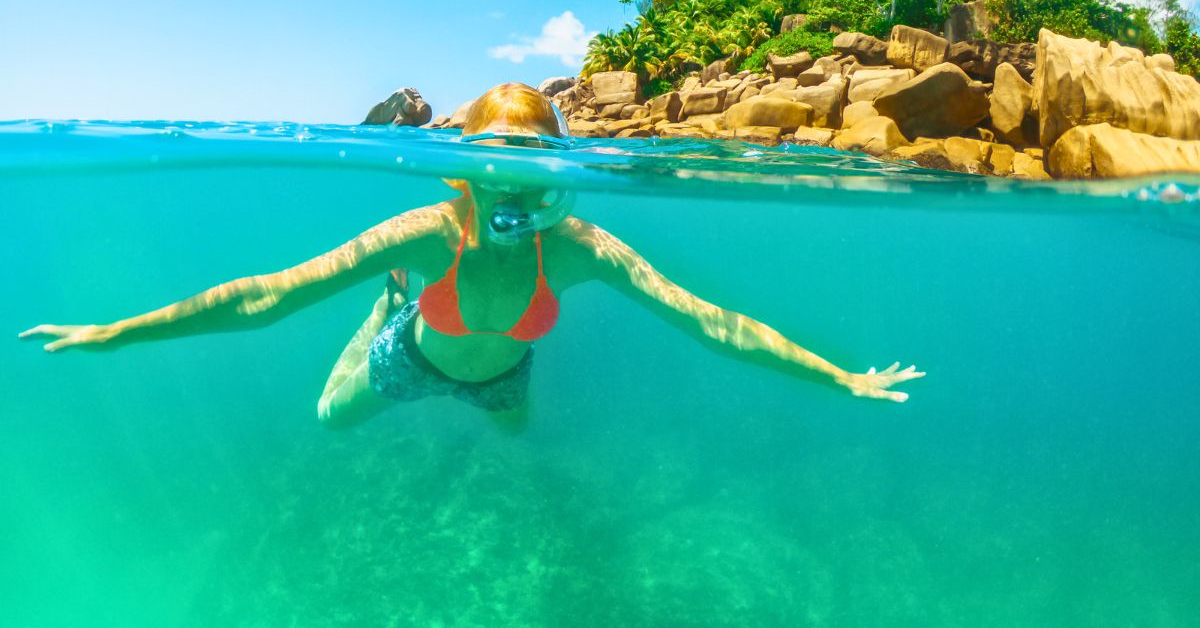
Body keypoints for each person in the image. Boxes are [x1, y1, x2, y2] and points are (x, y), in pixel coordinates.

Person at [19, 83, 923, 429]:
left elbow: (708, 324)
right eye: (489, 160)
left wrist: (838, 377)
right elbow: (267, 296)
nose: (509, 182)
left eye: (529, 160)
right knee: (330, 421)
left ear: (556, 168)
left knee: (513, 431)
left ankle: (457, 368)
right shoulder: (424, 233)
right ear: (466, 168)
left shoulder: (579, 248)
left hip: (504, 375)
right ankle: (386, 308)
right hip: (413, 358)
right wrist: (114, 333)